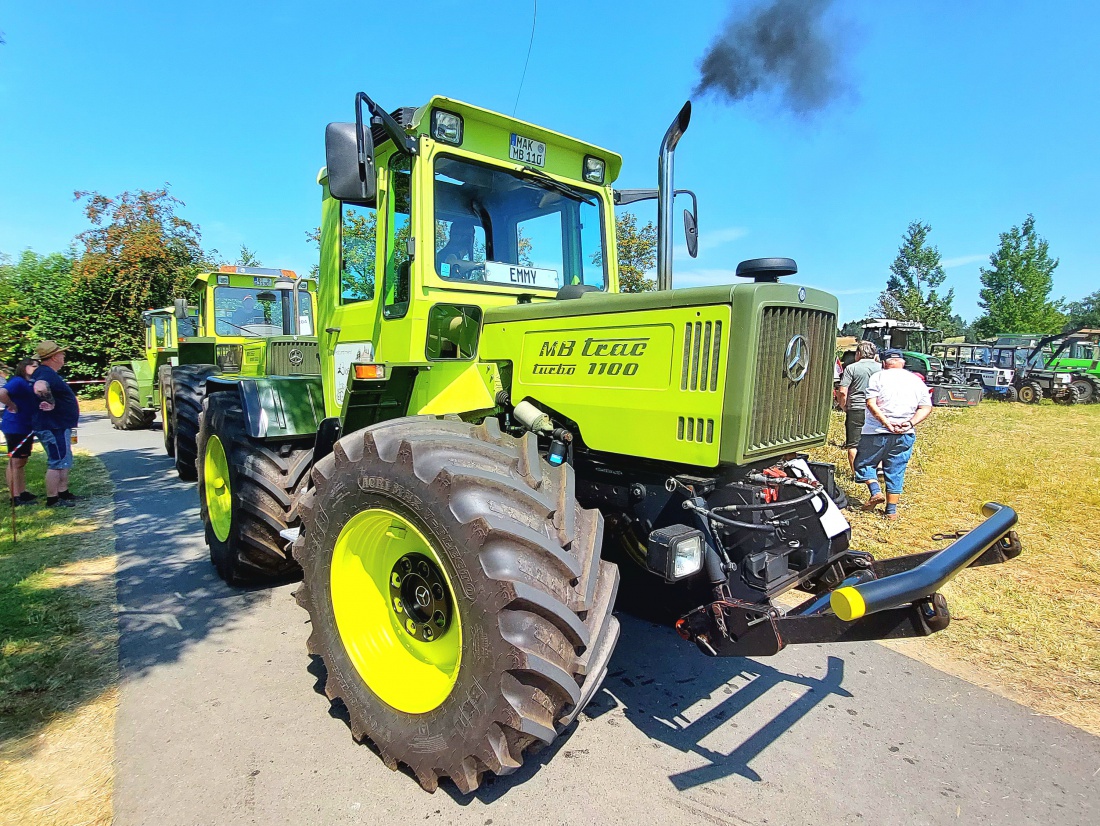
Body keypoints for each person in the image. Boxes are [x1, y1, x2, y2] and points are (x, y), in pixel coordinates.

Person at [852, 349, 932, 520]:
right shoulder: (916, 381)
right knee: (896, 470)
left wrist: (885, 423)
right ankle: (891, 511)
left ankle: (875, 491)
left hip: (875, 432)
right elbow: (926, 407)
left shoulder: (878, 377)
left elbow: (871, 403)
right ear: (903, 362)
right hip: (905, 433)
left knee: (864, 463)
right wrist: (910, 423)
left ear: (883, 362)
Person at [30, 341, 81, 508]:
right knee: (57, 461)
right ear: (53, 357)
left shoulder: (46, 372)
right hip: (52, 426)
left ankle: (63, 492)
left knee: (64, 459)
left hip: (58, 424)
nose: (64, 356)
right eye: (61, 354)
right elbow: (39, 387)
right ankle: (53, 499)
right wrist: (50, 402)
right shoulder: (45, 373)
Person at [835, 341, 881, 475]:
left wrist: (843, 406)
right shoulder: (881, 368)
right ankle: (877, 469)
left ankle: (858, 474)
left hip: (856, 407)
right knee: (876, 441)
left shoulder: (851, 368)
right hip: (877, 410)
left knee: (853, 443)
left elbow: (843, 391)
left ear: (859, 354)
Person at [0, 358, 41, 506]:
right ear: (25, 367)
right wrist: (12, 405)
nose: (37, 368)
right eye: (34, 366)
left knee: (22, 461)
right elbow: (2, 393)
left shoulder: (29, 382)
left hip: (26, 426)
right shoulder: (17, 381)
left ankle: (22, 491)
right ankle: (15, 496)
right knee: (15, 462)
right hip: (15, 426)